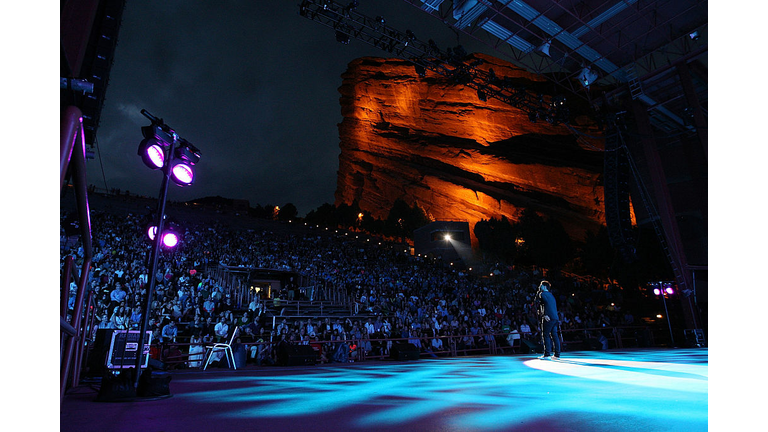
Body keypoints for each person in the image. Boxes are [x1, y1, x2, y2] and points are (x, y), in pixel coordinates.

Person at [535, 280, 561, 360]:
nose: (540, 286)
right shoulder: (551, 295)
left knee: (545, 335)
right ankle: (557, 354)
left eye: (541, 285)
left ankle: (547, 354)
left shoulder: (542, 294)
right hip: (555, 317)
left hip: (548, 317)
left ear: (545, 286)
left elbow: (541, 304)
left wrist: (544, 314)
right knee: (554, 335)